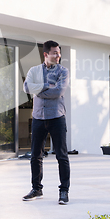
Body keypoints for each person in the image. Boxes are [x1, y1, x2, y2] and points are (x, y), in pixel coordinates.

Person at [22, 40, 70, 205]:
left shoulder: (63, 71)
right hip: (38, 118)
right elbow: (27, 88)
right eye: (55, 53)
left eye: (59, 52)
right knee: (35, 156)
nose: (58, 56)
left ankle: (64, 191)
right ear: (45, 54)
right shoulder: (34, 70)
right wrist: (46, 85)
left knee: (62, 156)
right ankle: (37, 189)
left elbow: (58, 91)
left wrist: (39, 89)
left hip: (57, 117)